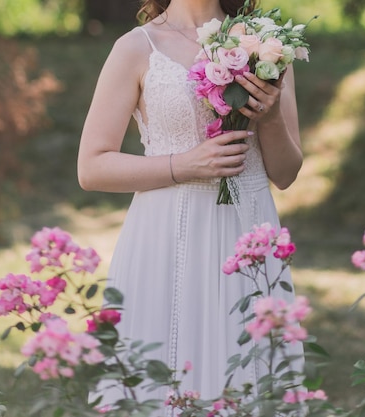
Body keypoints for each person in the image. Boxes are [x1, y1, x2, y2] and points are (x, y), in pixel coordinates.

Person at [77, 0, 304, 411]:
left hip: (248, 232)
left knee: (252, 375)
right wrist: (184, 165)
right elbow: (92, 167)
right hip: (166, 236)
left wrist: (268, 117)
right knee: (163, 374)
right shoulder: (135, 47)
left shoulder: (267, 43)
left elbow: (286, 173)